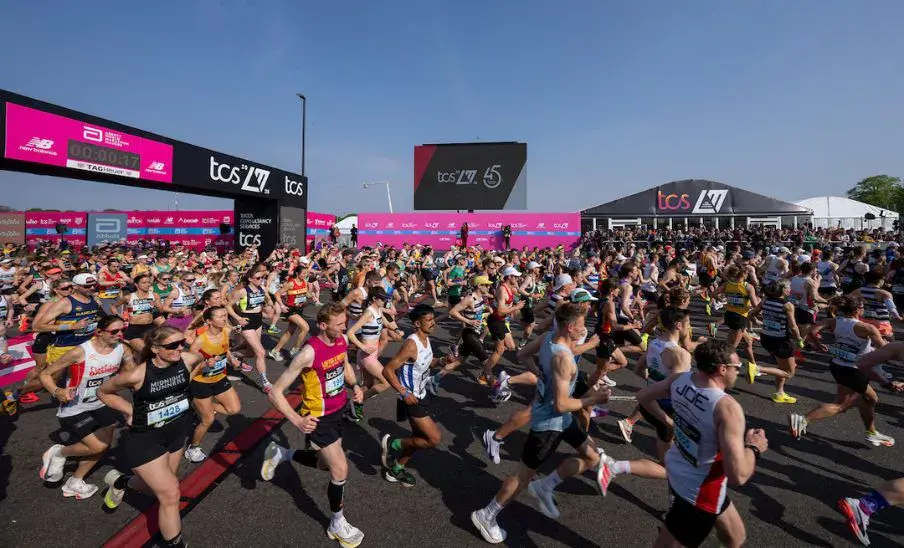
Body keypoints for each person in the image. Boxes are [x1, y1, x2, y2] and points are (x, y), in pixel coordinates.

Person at [471, 303, 610, 544]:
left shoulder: (548, 338)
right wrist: (593, 398)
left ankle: (547, 485)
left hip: (561, 419)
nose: (584, 330)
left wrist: (540, 375)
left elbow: (522, 355)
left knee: (592, 456)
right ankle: (487, 514)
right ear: (569, 328)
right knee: (523, 474)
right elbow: (561, 404)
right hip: (549, 423)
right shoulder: (563, 358)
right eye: (581, 327)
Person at [638, 339, 768, 548]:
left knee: (736, 537)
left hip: (680, 470)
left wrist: (669, 421)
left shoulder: (680, 379)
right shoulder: (726, 408)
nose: (739, 372)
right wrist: (753, 447)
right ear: (722, 369)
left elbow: (643, 396)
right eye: (738, 367)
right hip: (699, 492)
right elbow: (738, 475)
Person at [259, 302, 365, 548]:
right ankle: (336, 523)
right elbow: (275, 392)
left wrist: (356, 386)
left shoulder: (341, 341)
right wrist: (297, 420)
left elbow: (344, 366)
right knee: (340, 470)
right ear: (323, 325)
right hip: (318, 417)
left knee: (323, 464)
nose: (344, 328)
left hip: (338, 411)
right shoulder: (309, 352)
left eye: (345, 323)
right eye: (338, 325)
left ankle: (282, 453)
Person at [97, 325, 205, 548]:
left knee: (158, 486)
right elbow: (103, 391)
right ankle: (174, 544)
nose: (179, 348)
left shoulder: (187, 359)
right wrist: (129, 410)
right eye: (172, 345)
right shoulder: (137, 374)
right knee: (170, 494)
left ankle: (122, 481)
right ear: (155, 348)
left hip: (176, 433)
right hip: (146, 439)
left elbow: (199, 360)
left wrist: (188, 383)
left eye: (181, 342)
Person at [38, 315, 133, 498]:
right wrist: (57, 391)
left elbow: (133, 372)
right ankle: (59, 452)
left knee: (104, 443)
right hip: (75, 408)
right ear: (99, 332)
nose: (120, 334)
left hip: (102, 403)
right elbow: (46, 374)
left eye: (123, 330)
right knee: (97, 446)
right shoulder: (80, 352)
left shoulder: (122, 348)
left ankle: (75, 481)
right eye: (114, 331)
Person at [789, 296, 902, 446]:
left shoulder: (834, 321)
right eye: (862, 308)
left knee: (868, 398)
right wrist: (887, 342)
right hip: (854, 370)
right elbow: (884, 349)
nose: (863, 310)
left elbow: (811, 330)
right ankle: (803, 419)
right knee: (842, 405)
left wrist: (818, 344)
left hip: (837, 365)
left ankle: (872, 432)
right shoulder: (866, 328)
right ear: (856, 310)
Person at [380, 304, 457, 487]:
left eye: (433, 319)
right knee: (433, 439)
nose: (433, 323)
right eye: (428, 320)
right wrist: (403, 392)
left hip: (422, 394)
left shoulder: (426, 339)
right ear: (417, 323)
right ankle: (393, 444)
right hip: (412, 399)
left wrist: (443, 361)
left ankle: (396, 470)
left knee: (418, 439)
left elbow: (427, 363)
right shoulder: (411, 344)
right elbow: (388, 370)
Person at [184, 306, 242, 463]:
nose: (224, 319)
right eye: (220, 317)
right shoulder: (200, 341)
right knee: (208, 420)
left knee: (234, 409)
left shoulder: (226, 332)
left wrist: (231, 359)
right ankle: (193, 448)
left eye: (225, 316)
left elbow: (225, 349)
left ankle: (202, 407)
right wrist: (203, 363)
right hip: (201, 382)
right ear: (209, 321)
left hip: (219, 378)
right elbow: (190, 364)